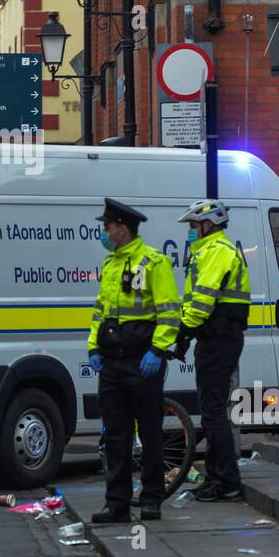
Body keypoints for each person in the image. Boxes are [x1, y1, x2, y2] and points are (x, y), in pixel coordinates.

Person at [86, 198, 180, 523]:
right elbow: (101, 311)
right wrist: (92, 349)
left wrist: (157, 352)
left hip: (143, 362)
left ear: (122, 229)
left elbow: (170, 313)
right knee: (115, 436)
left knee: (151, 433)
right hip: (111, 364)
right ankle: (117, 504)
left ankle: (151, 499)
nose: (103, 232)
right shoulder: (112, 265)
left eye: (107, 227)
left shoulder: (153, 263)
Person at [173, 199, 251, 502]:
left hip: (220, 339)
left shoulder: (217, 252)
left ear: (208, 224)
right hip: (215, 338)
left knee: (213, 413)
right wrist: (186, 334)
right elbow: (195, 301)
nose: (191, 232)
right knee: (211, 412)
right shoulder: (207, 252)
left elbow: (203, 302)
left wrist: (183, 329)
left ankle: (226, 480)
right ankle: (217, 477)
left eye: (194, 226)